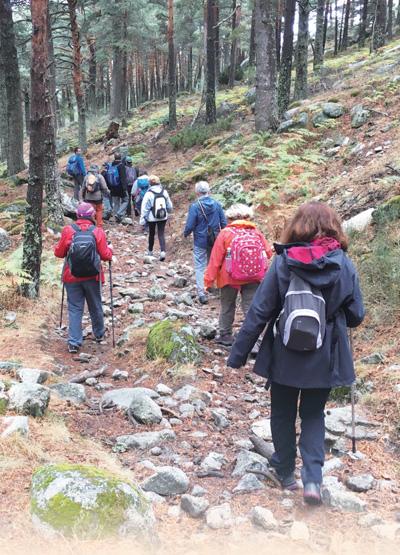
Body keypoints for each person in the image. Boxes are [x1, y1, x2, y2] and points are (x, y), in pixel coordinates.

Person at [227, 202, 365, 505]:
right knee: (313, 414)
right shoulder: (343, 264)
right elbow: (357, 315)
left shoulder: (283, 261)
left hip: (285, 353)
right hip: (325, 356)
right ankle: (313, 480)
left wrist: (238, 354)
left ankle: (286, 472)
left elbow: (260, 310)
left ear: (297, 226)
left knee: (282, 412)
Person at [204, 203, 272, 345]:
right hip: (253, 276)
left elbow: (215, 259)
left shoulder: (225, 233)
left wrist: (208, 281)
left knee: (227, 305)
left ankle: (225, 335)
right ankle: (253, 339)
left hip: (229, 276)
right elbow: (268, 253)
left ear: (230, 218)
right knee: (250, 307)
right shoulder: (255, 232)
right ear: (248, 217)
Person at [54, 202, 113, 353]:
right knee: (95, 304)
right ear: (92, 215)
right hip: (93, 276)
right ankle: (99, 334)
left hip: (71, 275)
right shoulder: (97, 231)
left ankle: (74, 342)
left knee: (75, 308)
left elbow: (59, 253)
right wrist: (110, 250)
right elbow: (105, 255)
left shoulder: (68, 230)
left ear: (77, 215)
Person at [184, 181, 227, 304]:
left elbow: (190, 225)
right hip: (216, 239)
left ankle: (202, 293)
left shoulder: (195, 206)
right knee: (215, 263)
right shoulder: (217, 204)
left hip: (200, 240)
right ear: (209, 191)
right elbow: (224, 223)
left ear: (197, 192)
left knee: (200, 266)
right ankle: (216, 287)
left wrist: (186, 233)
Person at [140, 175, 173, 261]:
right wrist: (169, 211)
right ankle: (163, 252)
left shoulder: (148, 193)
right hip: (163, 216)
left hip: (151, 217)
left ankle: (150, 251)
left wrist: (142, 219)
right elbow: (169, 205)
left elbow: (144, 208)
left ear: (150, 183)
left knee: (151, 234)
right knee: (161, 233)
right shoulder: (164, 192)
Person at [103, 152, 128, 223]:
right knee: (126, 200)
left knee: (116, 202)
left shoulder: (111, 165)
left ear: (114, 157)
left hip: (113, 187)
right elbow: (123, 178)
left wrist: (109, 187)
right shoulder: (121, 166)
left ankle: (116, 217)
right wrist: (125, 188)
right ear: (120, 157)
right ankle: (119, 214)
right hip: (121, 187)